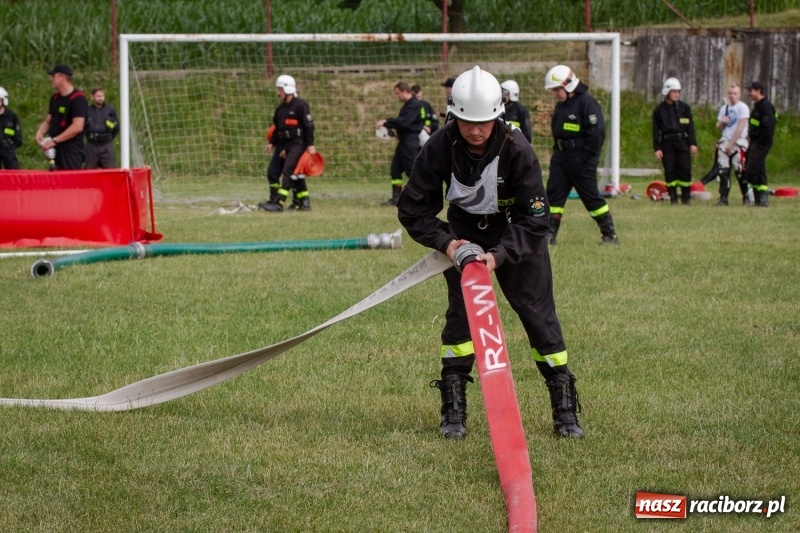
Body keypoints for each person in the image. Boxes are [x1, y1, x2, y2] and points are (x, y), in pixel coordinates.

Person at [397, 66, 584, 440]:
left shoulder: (517, 149)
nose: (476, 131)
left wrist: (499, 255)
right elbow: (413, 209)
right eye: (467, 122)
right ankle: (453, 410)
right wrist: (451, 244)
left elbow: (537, 220)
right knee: (461, 322)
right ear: (454, 116)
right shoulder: (439, 145)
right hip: (463, 238)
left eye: (484, 122)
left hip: (516, 235)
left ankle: (564, 410)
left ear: (498, 115)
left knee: (538, 316)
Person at [544, 65, 618, 245]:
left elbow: (597, 132)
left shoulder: (587, 103)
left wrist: (587, 159)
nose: (555, 94)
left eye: (557, 89)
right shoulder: (562, 106)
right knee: (553, 197)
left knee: (591, 197)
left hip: (580, 159)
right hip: (561, 157)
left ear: (568, 85)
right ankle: (548, 235)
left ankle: (609, 234)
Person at [259, 74, 316, 212]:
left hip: (298, 143)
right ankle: (300, 201)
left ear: (287, 89)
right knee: (272, 172)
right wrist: (272, 143)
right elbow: (278, 128)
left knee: (289, 171)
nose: (278, 93)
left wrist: (310, 145)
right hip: (283, 144)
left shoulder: (301, 105)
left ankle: (279, 203)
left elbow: (309, 126)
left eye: (280, 90)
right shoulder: (281, 109)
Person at [375, 82, 423, 206]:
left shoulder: (414, 104)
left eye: (397, 93)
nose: (397, 96)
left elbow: (404, 122)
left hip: (410, 142)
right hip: (404, 142)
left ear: (404, 91)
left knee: (411, 171)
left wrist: (386, 122)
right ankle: (396, 198)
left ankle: (420, 198)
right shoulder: (408, 105)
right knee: (395, 170)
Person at [652, 77, 698, 205]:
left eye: (678, 91)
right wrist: (657, 148)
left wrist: (693, 143)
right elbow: (656, 131)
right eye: (674, 91)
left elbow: (690, 127)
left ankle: (686, 197)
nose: (676, 94)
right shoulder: (659, 110)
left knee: (685, 169)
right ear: (667, 92)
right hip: (667, 143)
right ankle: (673, 197)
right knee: (670, 170)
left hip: (682, 142)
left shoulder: (685, 108)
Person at [34, 64, 88, 170]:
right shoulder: (55, 98)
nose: (51, 79)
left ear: (62, 77)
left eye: (53, 76)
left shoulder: (78, 99)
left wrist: (55, 140)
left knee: (70, 181)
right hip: (55, 147)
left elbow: (77, 127)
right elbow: (48, 121)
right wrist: (40, 132)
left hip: (71, 149)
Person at [707, 84, 751, 206]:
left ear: (739, 94)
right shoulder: (724, 108)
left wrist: (731, 144)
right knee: (723, 171)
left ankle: (746, 196)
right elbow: (718, 127)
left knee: (740, 170)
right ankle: (723, 198)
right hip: (724, 141)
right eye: (730, 93)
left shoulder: (743, 108)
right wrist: (722, 122)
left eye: (735, 93)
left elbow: (741, 127)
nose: (732, 96)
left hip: (738, 142)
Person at [745, 81, 777, 207]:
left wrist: (760, 143)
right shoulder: (758, 106)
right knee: (759, 169)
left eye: (751, 90)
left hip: (761, 143)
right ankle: (761, 199)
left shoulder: (766, 106)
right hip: (755, 142)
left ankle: (758, 195)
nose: (749, 93)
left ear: (758, 90)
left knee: (751, 170)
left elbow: (769, 128)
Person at [84, 86, 120, 169]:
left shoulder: (110, 110)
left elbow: (116, 127)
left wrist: (108, 137)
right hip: (92, 145)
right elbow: (83, 127)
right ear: (92, 97)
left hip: (106, 145)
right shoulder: (87, 111)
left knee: (110, 171)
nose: (100, 98)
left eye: (102, 96)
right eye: (98, 96)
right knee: (89, 171)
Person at [0, 87, 23, 169]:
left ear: (3, 101)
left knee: (14, 172)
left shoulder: (11, 116)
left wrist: (13, 144)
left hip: (8, 148)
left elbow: (17, 132)